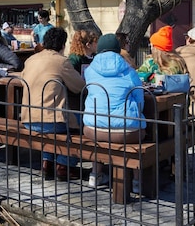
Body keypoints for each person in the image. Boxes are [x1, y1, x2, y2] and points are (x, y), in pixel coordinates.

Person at [21, 27, 86, 181]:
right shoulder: (61, 61)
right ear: (63, 45)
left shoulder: (31, 59)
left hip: (28, 118)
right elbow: (79, 86)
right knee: (85, 123)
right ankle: (64, 165)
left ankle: (47, 162)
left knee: (51, 129)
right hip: (52, 121)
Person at [82, 34, 146, 188]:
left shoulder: (89, 71)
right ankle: (136, 181)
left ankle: (95, 175)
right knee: (141, 133)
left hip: (94, 129)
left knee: (97, 136)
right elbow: (140, 99)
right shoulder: (130, 72)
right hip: (126, 131)